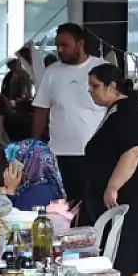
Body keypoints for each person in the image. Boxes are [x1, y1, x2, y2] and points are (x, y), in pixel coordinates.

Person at [85, 64, 138, 276]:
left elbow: (133, 151)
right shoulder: (116, 111)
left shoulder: (128, 112)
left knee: (129, 250)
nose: (91, 90)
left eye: (95, 85)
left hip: (131, 193)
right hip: (125, 194)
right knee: (123, 247)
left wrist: (113, 186)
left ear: (112, 87)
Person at [32, 23, 104, 206]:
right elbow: (41, 109)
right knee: (62, 207)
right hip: (59, 153)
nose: (60, 50)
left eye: (65, 45)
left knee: (92, 205)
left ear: (80, 43)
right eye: (57, 46)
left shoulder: (102, 69)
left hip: (94, 153)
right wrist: (34, 144)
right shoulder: (51, 72)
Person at [0, 139, 67, 211]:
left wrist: (10, 191)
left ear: (29, 164)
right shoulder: (35, 185)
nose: (12, 168)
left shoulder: (40, 191)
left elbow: (17, 218)